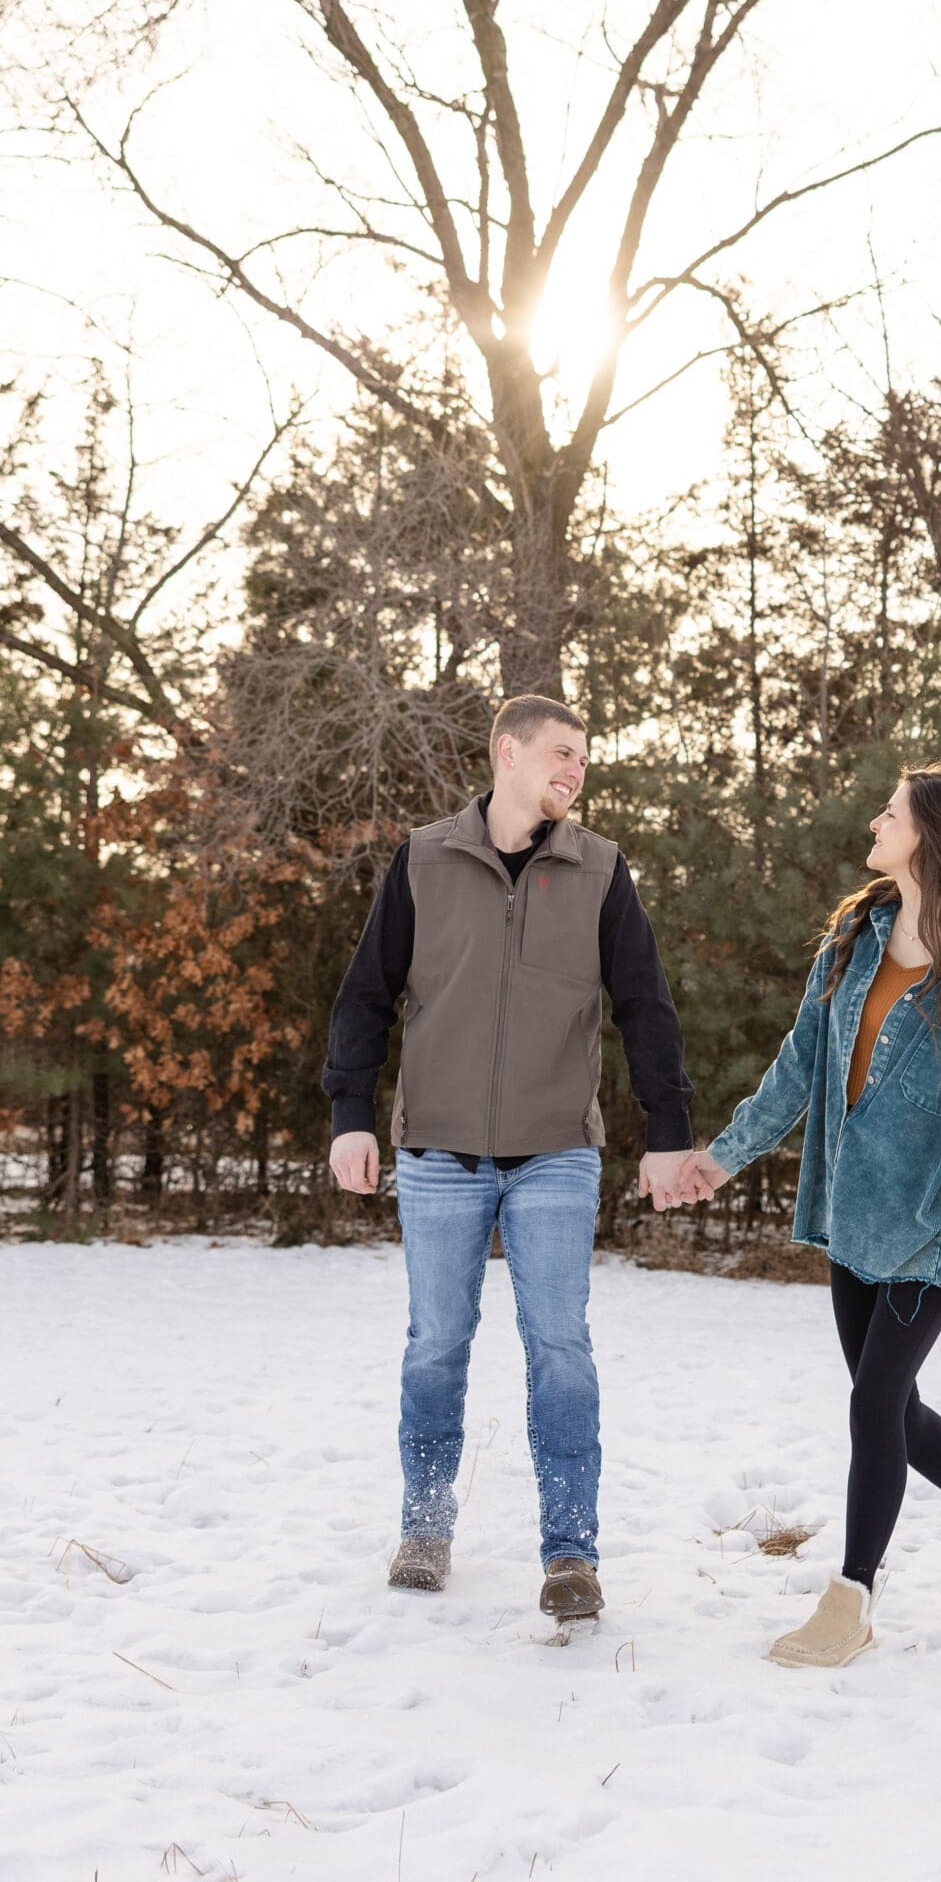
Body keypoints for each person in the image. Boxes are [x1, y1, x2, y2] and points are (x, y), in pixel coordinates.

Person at [325, 694, 697, 1624]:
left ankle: (571, 1552)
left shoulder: (600, 872)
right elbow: (365, 996)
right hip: (438, 1149)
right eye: (562, 754)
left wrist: (666, 1132)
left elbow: (645, 1006)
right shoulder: (423, 860)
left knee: (559, 1347)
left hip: (555, 1153)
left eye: (584, 760)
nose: (575, 771)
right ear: (508, 754)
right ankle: (424, 1525)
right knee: (436, 1345)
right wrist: (350, 1114)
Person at [673, 763, 941, 1668]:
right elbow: (802, 1062)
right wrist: (723, 1157)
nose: (875, 823)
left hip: (930, 1223)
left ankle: (851, 1598)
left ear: (932, 837)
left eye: (892, 813)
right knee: (890, 1407)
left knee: (875, 1403)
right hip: (850, 1214)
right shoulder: (855, 934)